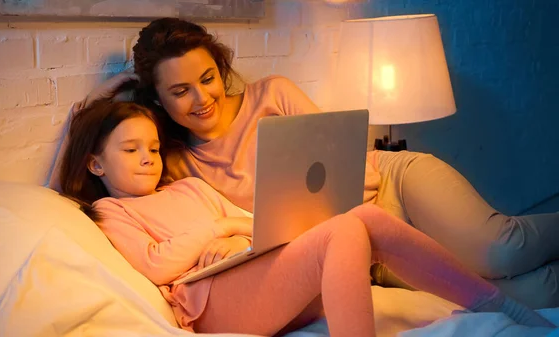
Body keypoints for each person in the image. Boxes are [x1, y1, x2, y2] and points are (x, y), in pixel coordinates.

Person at [49, 17, 559, 308]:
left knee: (502, 249)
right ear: (159, 99)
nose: (200, 98)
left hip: (391, 185)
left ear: (219, 69)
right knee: (524, 291)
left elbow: (352, 165)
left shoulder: (275, 96)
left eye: (206, 78)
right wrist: (114, 90)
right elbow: (81, 164)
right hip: (361, 245)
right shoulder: (177, 164)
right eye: (179, 91)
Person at [58, 99, 553, 336]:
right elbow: (155, 265)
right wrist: (218, 229)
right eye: (130, 149)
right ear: (95, 163)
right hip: (212, 300)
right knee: (341, 229)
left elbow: (249, 222)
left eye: (152, 147)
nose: (148, 157)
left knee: (360, 217)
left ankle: (497, 304)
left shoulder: (188, 186)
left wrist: (239, 228)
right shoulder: (111, 209)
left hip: (257, 273)